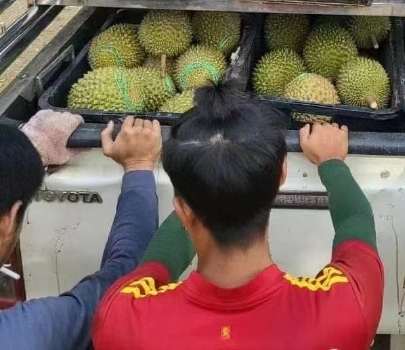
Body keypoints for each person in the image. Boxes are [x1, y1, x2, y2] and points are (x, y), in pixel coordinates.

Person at [92, 84, 384, 350]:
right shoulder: (345, 311)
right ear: (282, 175)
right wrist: (332, 162)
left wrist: (141, 164)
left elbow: (154, 267)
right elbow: (355, 222)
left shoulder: (122, 320)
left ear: (182, 210)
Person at [0, 111, 162, 350]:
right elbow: (127, 276)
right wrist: (138, 166)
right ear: (6, 222)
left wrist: (23, 156)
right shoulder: (30, 333)